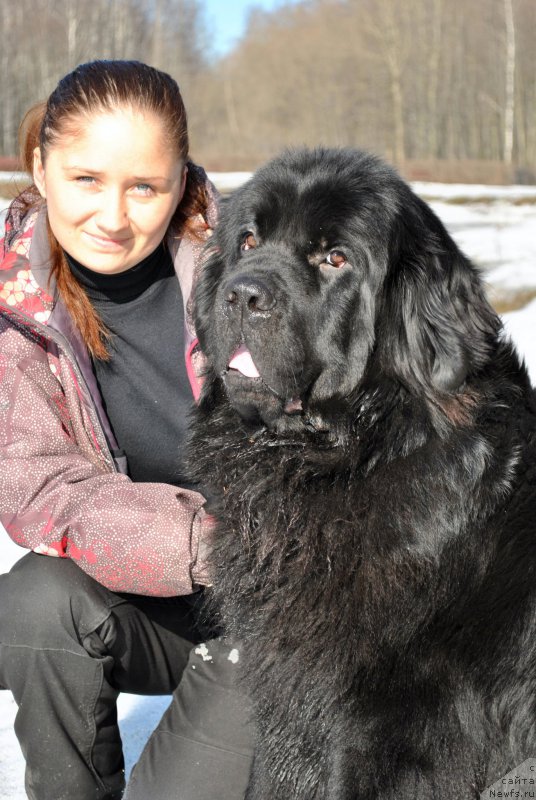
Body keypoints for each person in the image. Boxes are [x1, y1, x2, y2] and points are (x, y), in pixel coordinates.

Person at [0, 60, 253, 800]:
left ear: (181, 183)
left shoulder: (250, 278)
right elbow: (45, 491)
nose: (113, 217)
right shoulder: (11, 315)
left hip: (286, 606)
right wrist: (219, 547)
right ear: (41, 169)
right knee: (39, 601)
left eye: (143, 187)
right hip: (180, 590)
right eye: (86, 180)